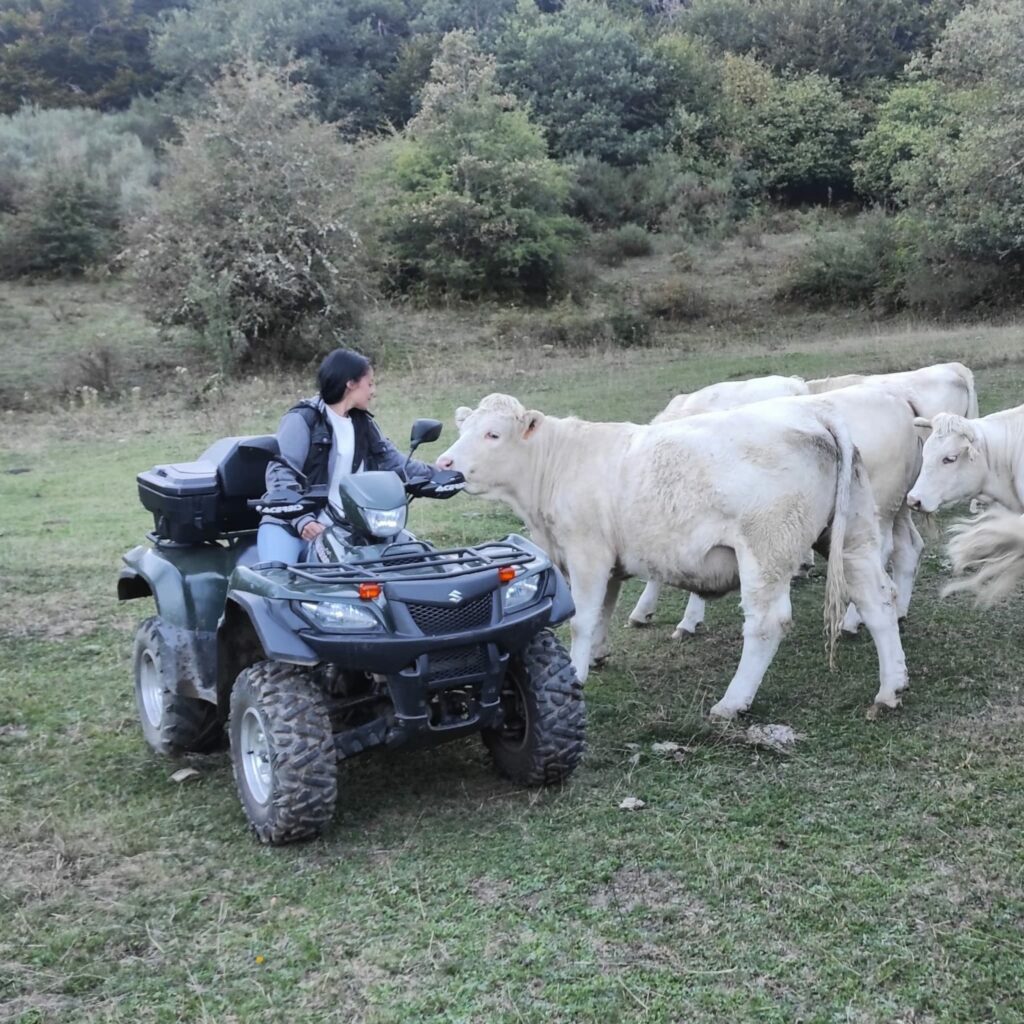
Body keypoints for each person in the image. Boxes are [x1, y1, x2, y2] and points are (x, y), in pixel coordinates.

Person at [257, 348, 456, 563]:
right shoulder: (303, 419)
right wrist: (302, 520)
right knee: (276, 583)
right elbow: (280, 471)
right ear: (350, 383)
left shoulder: (363, 423)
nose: (374, 391)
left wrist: (437, 472)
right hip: (291, 525)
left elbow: (394, 462)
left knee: (424, 560)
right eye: (369, 384)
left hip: (349, 526)